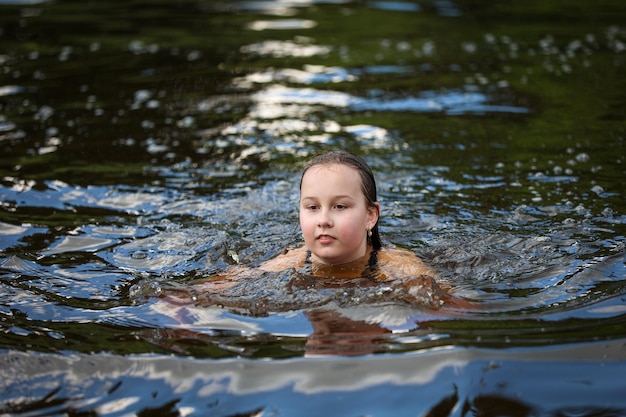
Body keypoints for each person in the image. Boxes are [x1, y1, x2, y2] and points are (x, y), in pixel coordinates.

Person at [189, 150, 461, 310]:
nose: (324, 220)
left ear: (370, 215)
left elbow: (458, 303)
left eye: (340, 207)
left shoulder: (396, 264)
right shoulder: (291, 261)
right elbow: (215, 290)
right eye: (312, 207)